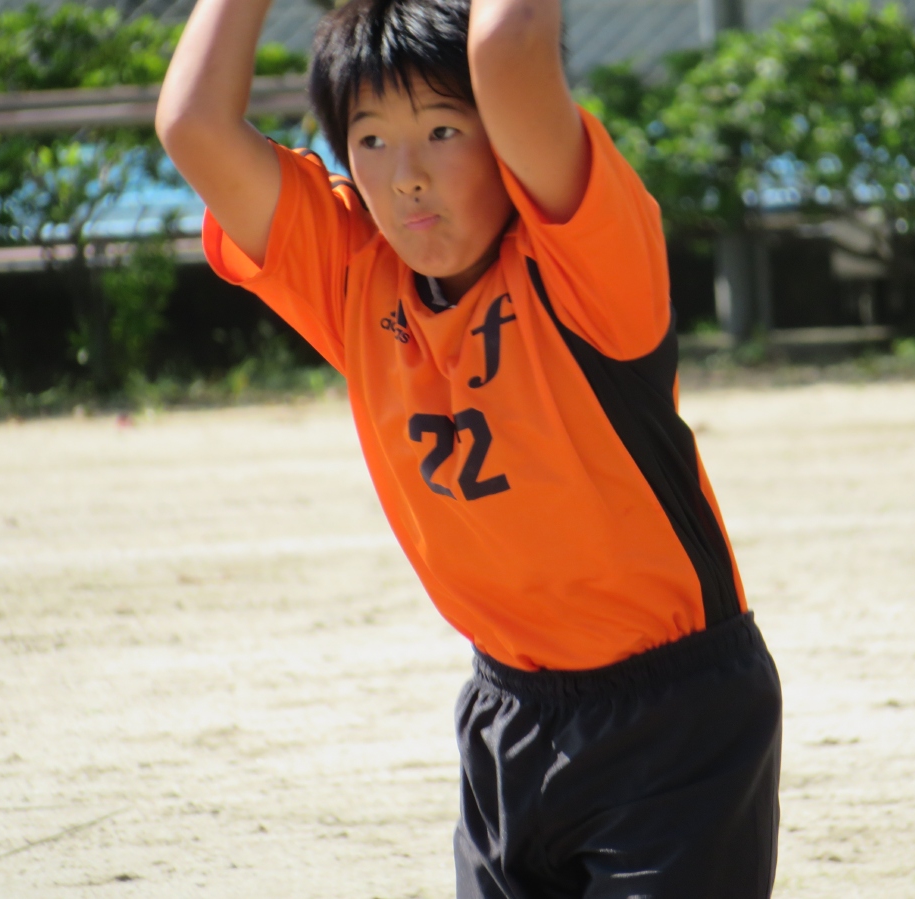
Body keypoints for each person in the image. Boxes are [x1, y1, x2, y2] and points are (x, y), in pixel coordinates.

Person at [156, 0, 782, 894]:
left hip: (675, 721)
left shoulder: (585, 265)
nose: (406, 175)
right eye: (371, 140)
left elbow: (510, 45)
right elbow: (193, 125)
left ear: (505, 137)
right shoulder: (357, 276)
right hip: (507, 716)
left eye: (443, 130)